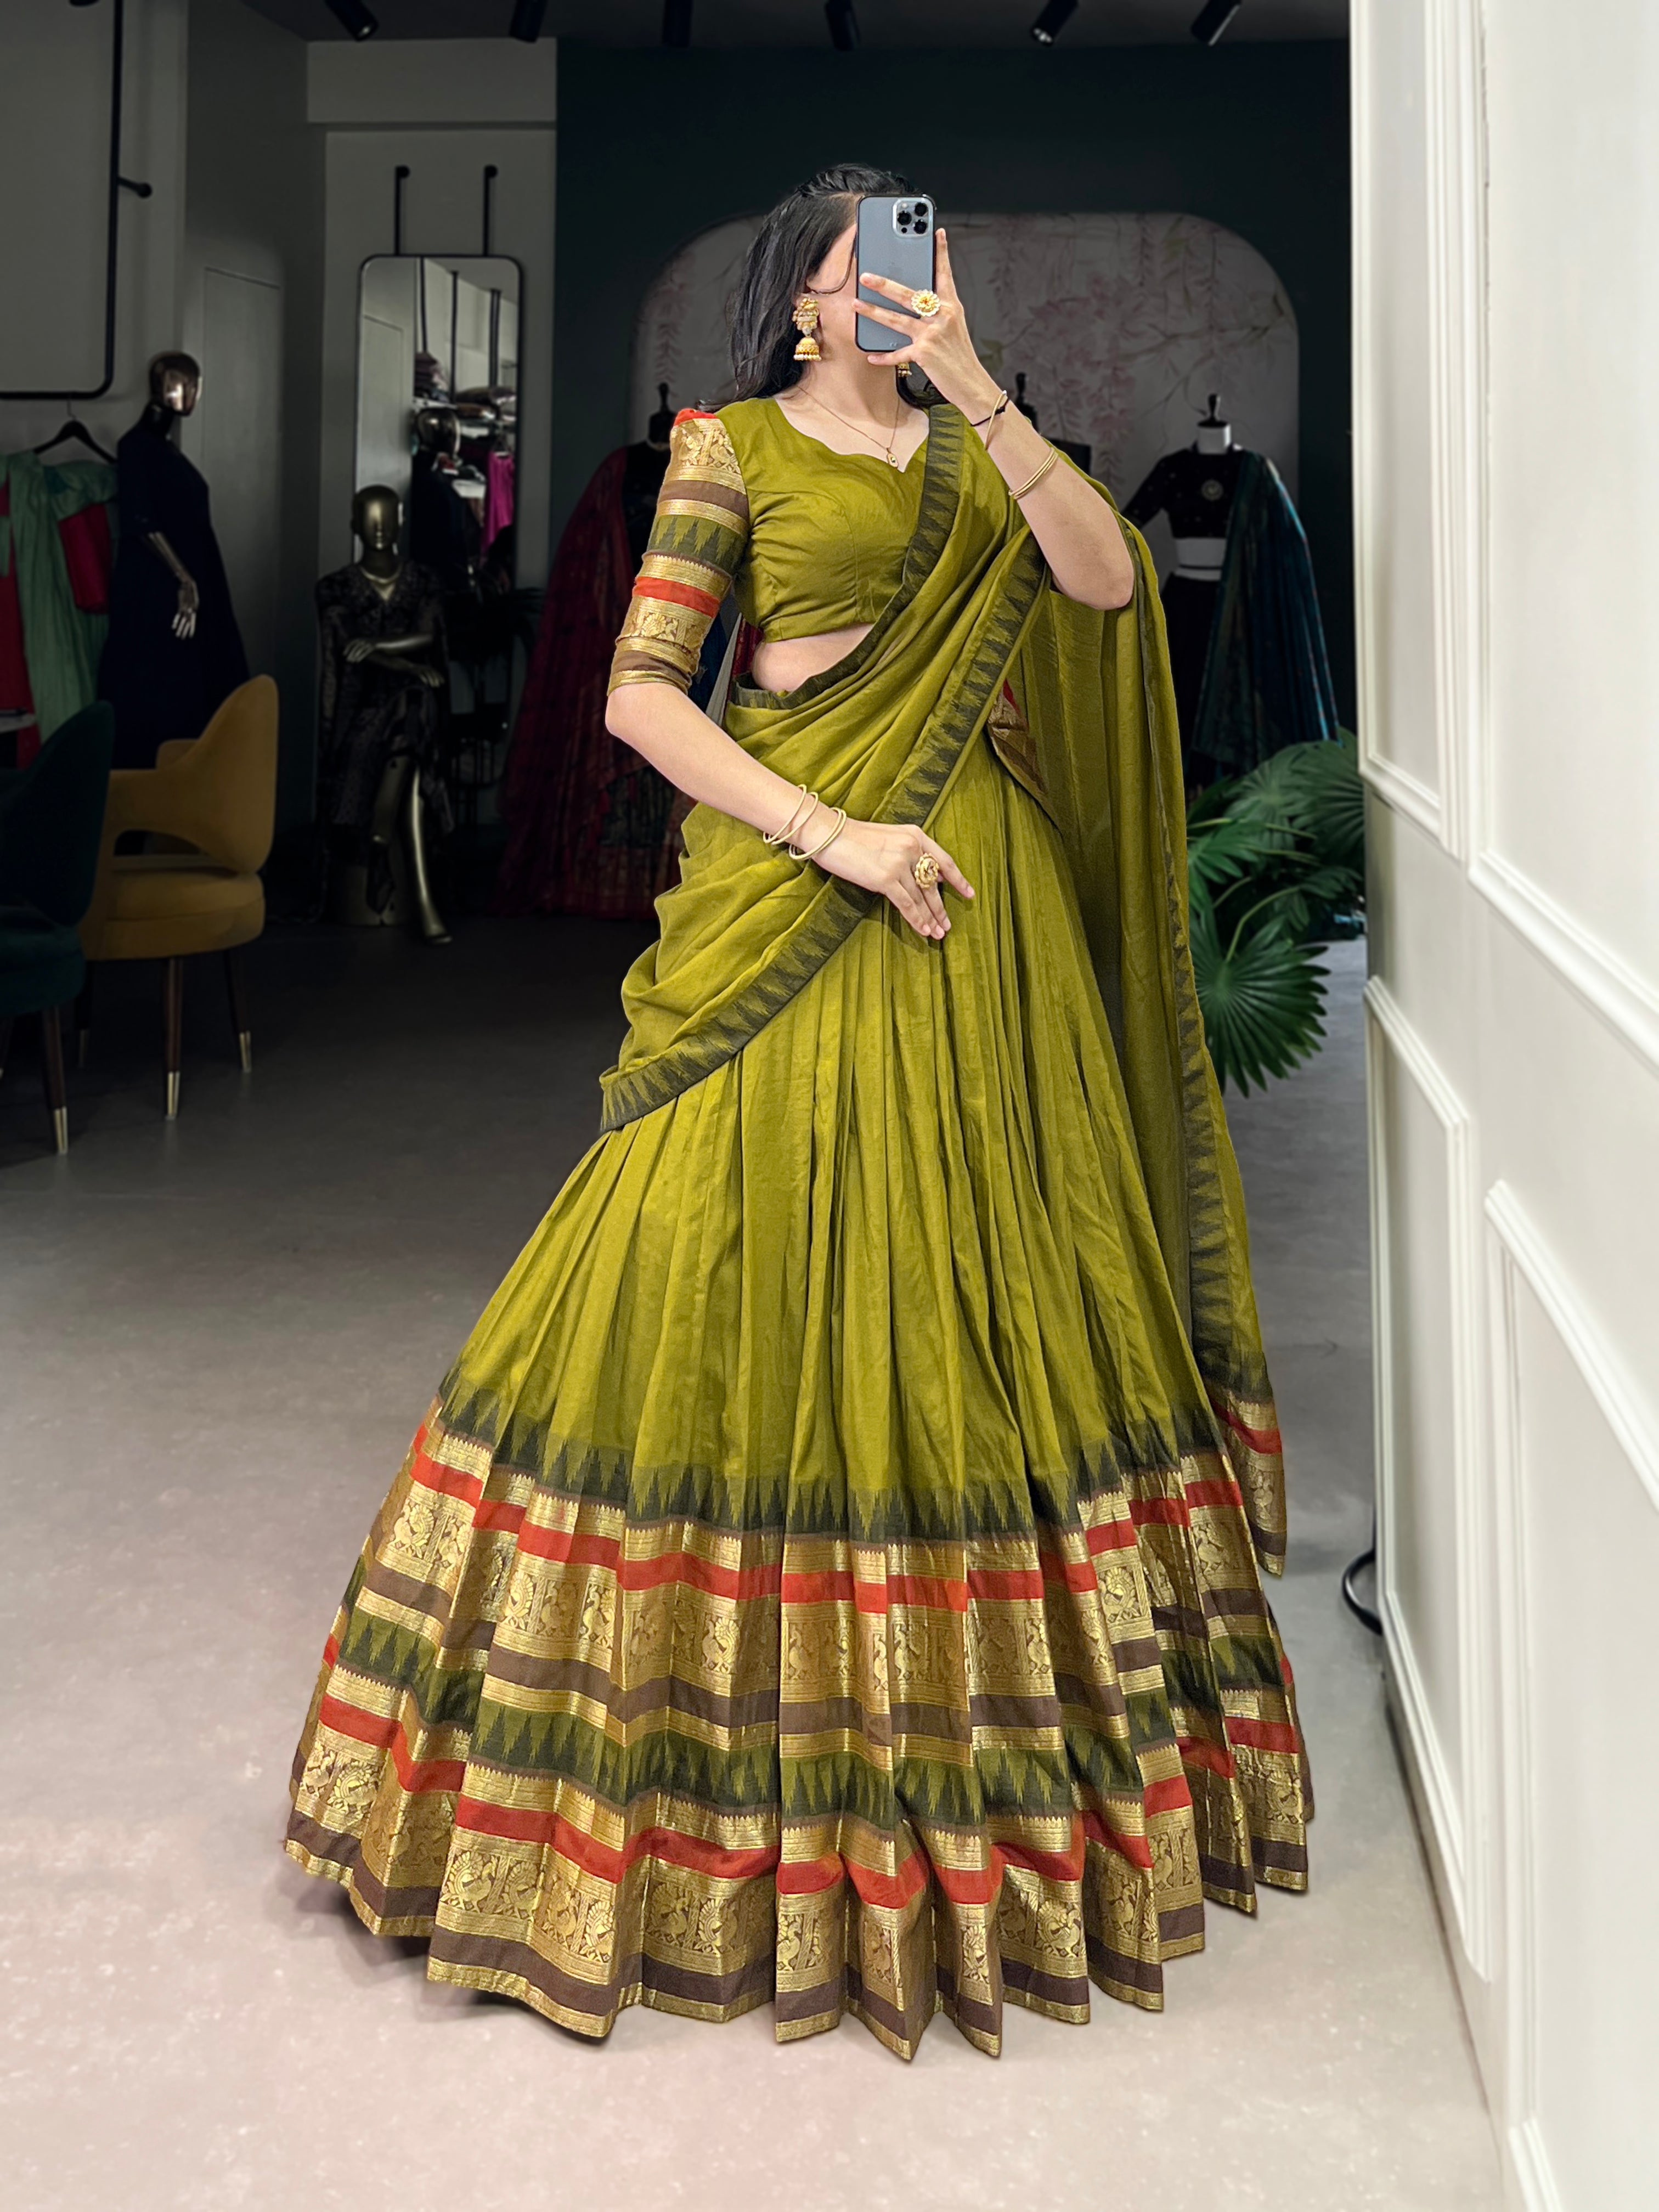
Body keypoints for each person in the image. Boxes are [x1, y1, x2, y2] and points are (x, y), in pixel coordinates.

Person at [284, 165, 1310, 2062]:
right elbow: (642, 699)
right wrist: (838, 834)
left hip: (985, 914)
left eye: (925, 262)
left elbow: (1105, 588)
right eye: (866, 269)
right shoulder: (730, 450)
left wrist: (983, 388)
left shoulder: (989, 445)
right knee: (689, 1250)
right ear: (802, 298)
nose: (902, 290)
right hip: (810, 881)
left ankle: (993, 1787)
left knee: (991, 1291)